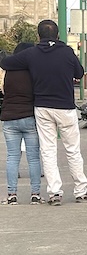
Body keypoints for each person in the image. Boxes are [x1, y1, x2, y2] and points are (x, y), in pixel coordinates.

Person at [0, 20, 87, 205]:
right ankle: (80, 191)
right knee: (73, 150)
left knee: (48, 151)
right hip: (65, 108)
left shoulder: (31, 53)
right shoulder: (67, 52)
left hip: (43, 108)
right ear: (58, 35)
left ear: (38, 36)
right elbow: (79, 72)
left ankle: (54, 193)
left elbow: (6, 63)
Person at [0, 42, 44, 205]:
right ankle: (35, 195)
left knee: (12, 157)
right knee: (33, 158)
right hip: (29, 116)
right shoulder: (34, 71)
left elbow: (4, 91)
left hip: (9, 118)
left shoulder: (8, 71)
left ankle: (12, 195)